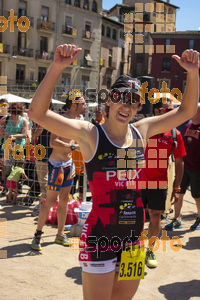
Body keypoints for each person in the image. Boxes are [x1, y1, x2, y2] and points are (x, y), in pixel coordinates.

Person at [28, 44, 199, 300]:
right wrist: (57, 67)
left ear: (139, 107)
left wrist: (193, 73)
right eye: (121, 98)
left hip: (132, 239)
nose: (126, 106)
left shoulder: (141, 132)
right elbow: (37, 113)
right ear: (109, 100)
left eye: (134, 102)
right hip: (100, 237)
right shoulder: (90, 135)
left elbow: (186, 111)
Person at [31, 94, 87, 251]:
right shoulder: (60, 120)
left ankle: (60, 234)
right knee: (49, 201)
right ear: (73, 105)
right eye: (82, 103)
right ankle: (38, 235)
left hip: (69, 165)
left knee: (64, 200)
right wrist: (73, 147)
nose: (85, 106)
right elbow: (53, 142)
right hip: (57, 166)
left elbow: (76, 141)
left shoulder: (78, 121)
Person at [141, 99, 186, 268]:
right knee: (134, 219)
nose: (171, 113)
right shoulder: (141, 129)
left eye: (173, 110)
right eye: (168, 109)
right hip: (137, 183)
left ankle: (150, 250)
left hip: (158, 184)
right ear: (156, 111)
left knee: (155, 216)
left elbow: (180, 162)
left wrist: (177, 187)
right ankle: (131, 249)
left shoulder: (175, 134)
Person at [165, 103, 200, 231]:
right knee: (178, 192)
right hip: (184, 166)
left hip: (197, 168)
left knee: (197, 196)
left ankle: (199, 218)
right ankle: (177, 219)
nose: (193, 113)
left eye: (196, 111)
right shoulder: (187, 126)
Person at [0, 102, 28, 196]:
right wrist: (1, 130)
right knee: (7, 168)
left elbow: (24, 134)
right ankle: (6, 188)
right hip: (7, 147)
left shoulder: (23, 120)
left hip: (18, 148)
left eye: (15, 113)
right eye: (12, 113)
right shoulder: (6, 118)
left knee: (18, 169)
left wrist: (11, 136)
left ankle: (18, 187)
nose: (14, 115)